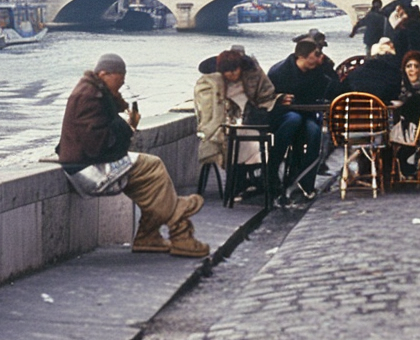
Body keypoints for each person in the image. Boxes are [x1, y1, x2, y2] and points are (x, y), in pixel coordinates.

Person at [56, 53, 209, 258]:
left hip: (86, 162)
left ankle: (149, 236)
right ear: (104, 74)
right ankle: (178, 223)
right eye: (118, 82)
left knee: (151, 184)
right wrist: (128, 128)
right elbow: (98, 144)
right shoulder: (89, 97)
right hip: (88, 170)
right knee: (152, 168)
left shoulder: (91, 92)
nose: (120, 87)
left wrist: (123, 119)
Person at [267, 39, 337, 195]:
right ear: (303, 56)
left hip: (308, 114)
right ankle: (272, 169)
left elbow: (335, 90)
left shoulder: (320, 71)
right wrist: (280, 98)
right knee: (293, 120)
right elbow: (266, 97)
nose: (320, 58)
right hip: (284, 115)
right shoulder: (279, 72)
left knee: (314, 131)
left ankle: (306, 181)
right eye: (317, 54)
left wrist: (328, 68)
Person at [193, 49, 278, 174]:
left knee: (250, 142)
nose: (232, 74)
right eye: (228, 71)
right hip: (227, 125)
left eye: (235, 70)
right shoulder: (212, 84)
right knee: (238, 145)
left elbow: (267, 95)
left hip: (251, 120)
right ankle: (241, 180)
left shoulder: (253, 76)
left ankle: (246, 178)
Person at [344, 38, 402, 105]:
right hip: (381, 112)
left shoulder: (355, 74)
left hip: (356, 113)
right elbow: (395, 95)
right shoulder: (395, 74)